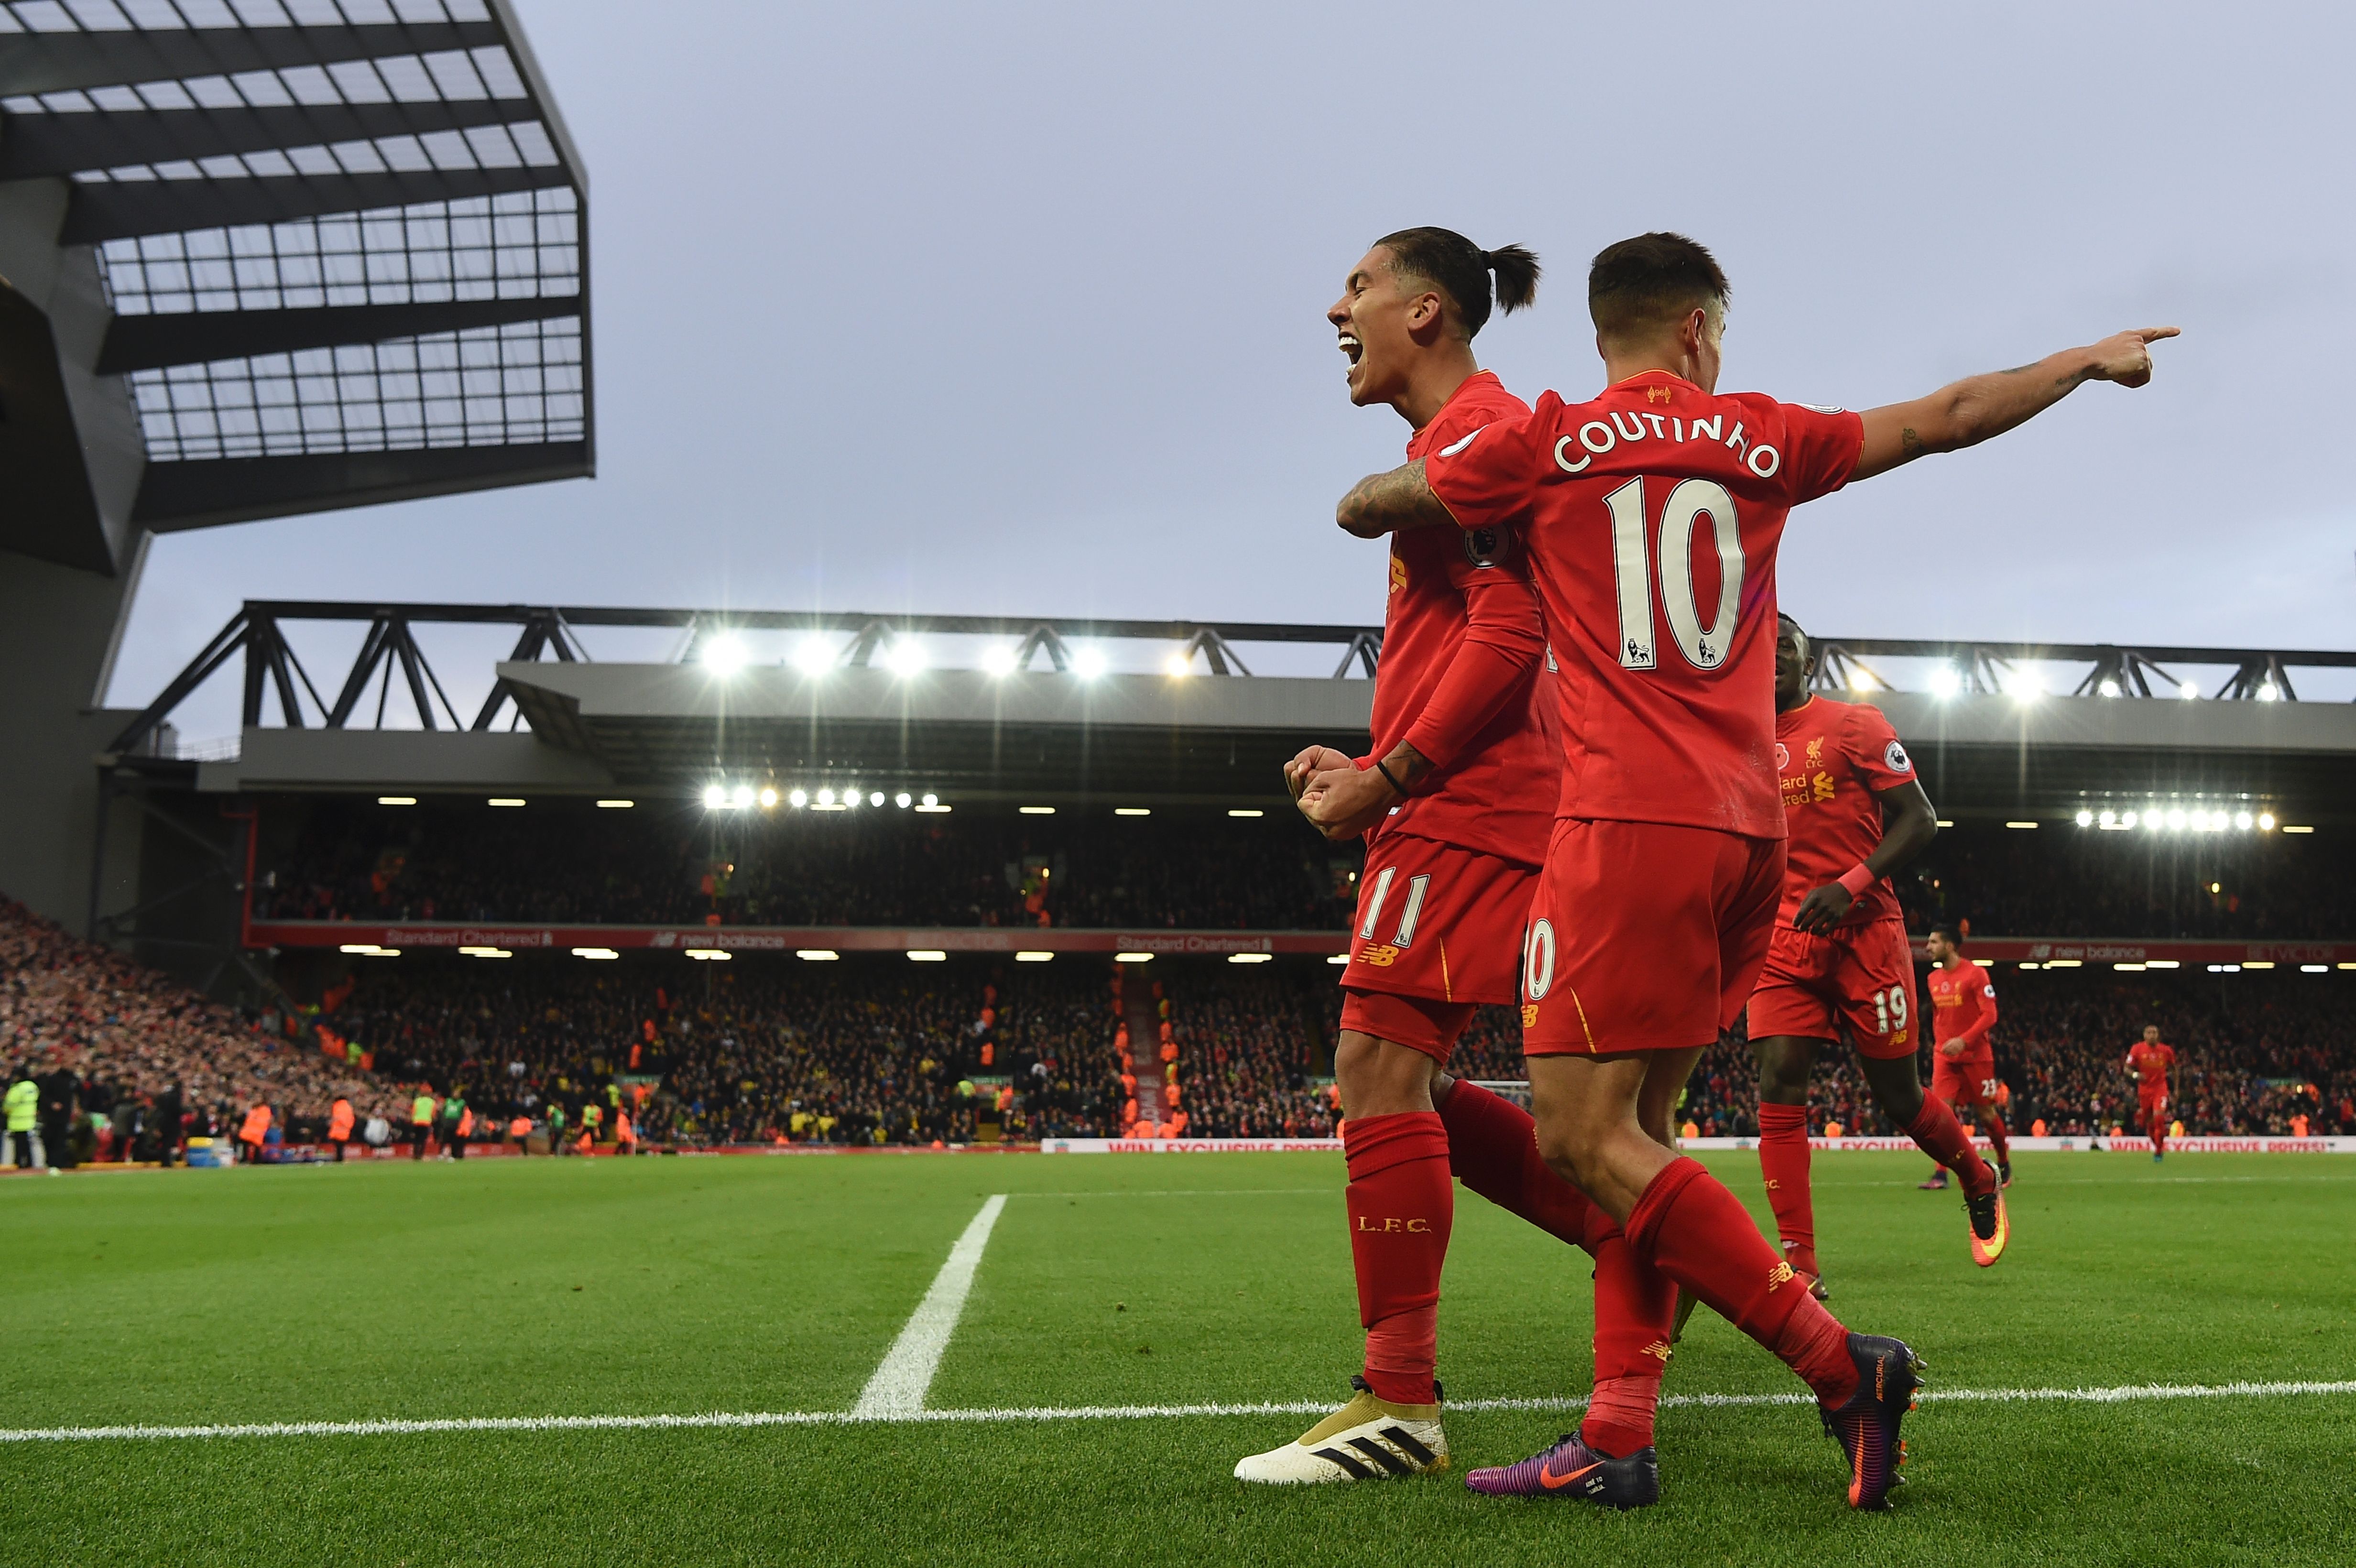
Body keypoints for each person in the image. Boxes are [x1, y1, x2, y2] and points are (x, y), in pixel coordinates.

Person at [1327, 230, 2172, 1509]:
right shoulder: (1763, 438)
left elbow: (1397, 497)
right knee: (1644, 1132)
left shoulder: (1544, 439)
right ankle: (1618, 1433)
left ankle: (1842, 1365)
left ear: (1605, 333)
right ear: (1701, 333)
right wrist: (2082, 360)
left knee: (1581, 1139)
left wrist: (1380, 496)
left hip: (1622, 828)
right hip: (1749, 839)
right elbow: (1944, 417)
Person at [1248, 227, 1672, 1503]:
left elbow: (1511, 630)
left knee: (1377, 1071)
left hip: (1467, 807)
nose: (1338, 305)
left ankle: (1400, 1402)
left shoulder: (1480, 437)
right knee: (1418, 1093)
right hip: (1468, 800)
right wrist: (1371, 753)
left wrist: (1392, 777)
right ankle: (1633, 1223)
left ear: (1427, 311)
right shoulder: (1457, 444)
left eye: (1361, 286)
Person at [1746, 615, 2007, 1292]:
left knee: (1898, 1096)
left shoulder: (1853, 725)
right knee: (1778, 1077)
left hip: (1866, 934)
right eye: (1762, 647)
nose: (1773, 657)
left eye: (1787, 649)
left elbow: (1921, 818)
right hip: (1782, 937)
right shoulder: (1732, 737)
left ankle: (1977, 1177)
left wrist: (1850, 883)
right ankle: (1799, 1261)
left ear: (1809, 663)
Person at [1921, 926, 2013, 1189]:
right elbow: (1939, 1016)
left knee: (1986, 1115)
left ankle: (2004, 1162)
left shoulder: (1976, 974)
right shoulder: (1933, 979)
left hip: (1976, 1056)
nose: (1928, 947)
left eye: (1934, 942)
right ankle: (1941, 1174)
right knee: (1941, 1115)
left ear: (1950, 946)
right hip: (1945, 1057)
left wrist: (1963, 1040)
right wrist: (1940, 1044)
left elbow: (1990, 1016)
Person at [2126, 1025, 2176, 1161]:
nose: (2152, 1035)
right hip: (2144, 1091)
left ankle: (2159, 1152)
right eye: (2149, 1033)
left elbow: (2174, 1069)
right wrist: (2136, 1075)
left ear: (2158, 1035)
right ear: (2144, 1035)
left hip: (2160, 1089)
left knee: (2159, 1118)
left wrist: (2176, 1089)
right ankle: (2158, 1147)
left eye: (2154, 1033)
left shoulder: (2166, 1051)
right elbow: (2127, 1069)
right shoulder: (2137, 1049)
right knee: (2149, 1124)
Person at [5, 1068, 39, 1169]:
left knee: (19, 1147)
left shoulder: (17, 1089)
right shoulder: (33, 1087)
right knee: (27, 1146)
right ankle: (30, 1164)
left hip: (17, 1121)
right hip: (29, 1120)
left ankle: (20, 1165)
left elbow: (8, 1105)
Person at [237, 1100, 272, 1164]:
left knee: (255, 1146)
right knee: (249, 1145)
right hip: (252, 1132)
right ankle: (250, 1160)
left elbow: (263, 1121)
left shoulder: (262, 1110)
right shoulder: (254, 1110)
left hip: (256, 1132)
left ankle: (254, 1160)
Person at [409, 1085, 436, 1161]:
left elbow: (413, 1112)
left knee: (416, 1139)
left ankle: (415, 1155)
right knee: (423, 1140)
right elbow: (433, 1114)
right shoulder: (432, 1102)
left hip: (417, 1122)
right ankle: (421, 1155)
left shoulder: (417, 1101)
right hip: (426, 1122)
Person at [442, 1089, 469, 1161]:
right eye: (455, 1093)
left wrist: (460, 1121)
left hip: (456, 1122)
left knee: (454, 1140)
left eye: (457, 1094)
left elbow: (463, 1113)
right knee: (444, 1139)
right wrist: (444, 1120)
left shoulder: (462, 1102)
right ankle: (442, 1154)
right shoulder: (448, 1101)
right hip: (448, 1122)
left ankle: (453, 1155)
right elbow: (444, 1110)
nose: (455, 1095)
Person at [327, 1095, 355, 1163]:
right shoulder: (349, 1107)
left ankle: (338, 1159)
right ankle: (340, 1158)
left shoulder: (337, 1106)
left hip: (336, 1131)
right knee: (341, 1147)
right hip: (345, 1131)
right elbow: (351, 1119)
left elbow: (336, 1117)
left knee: (337, 1147)